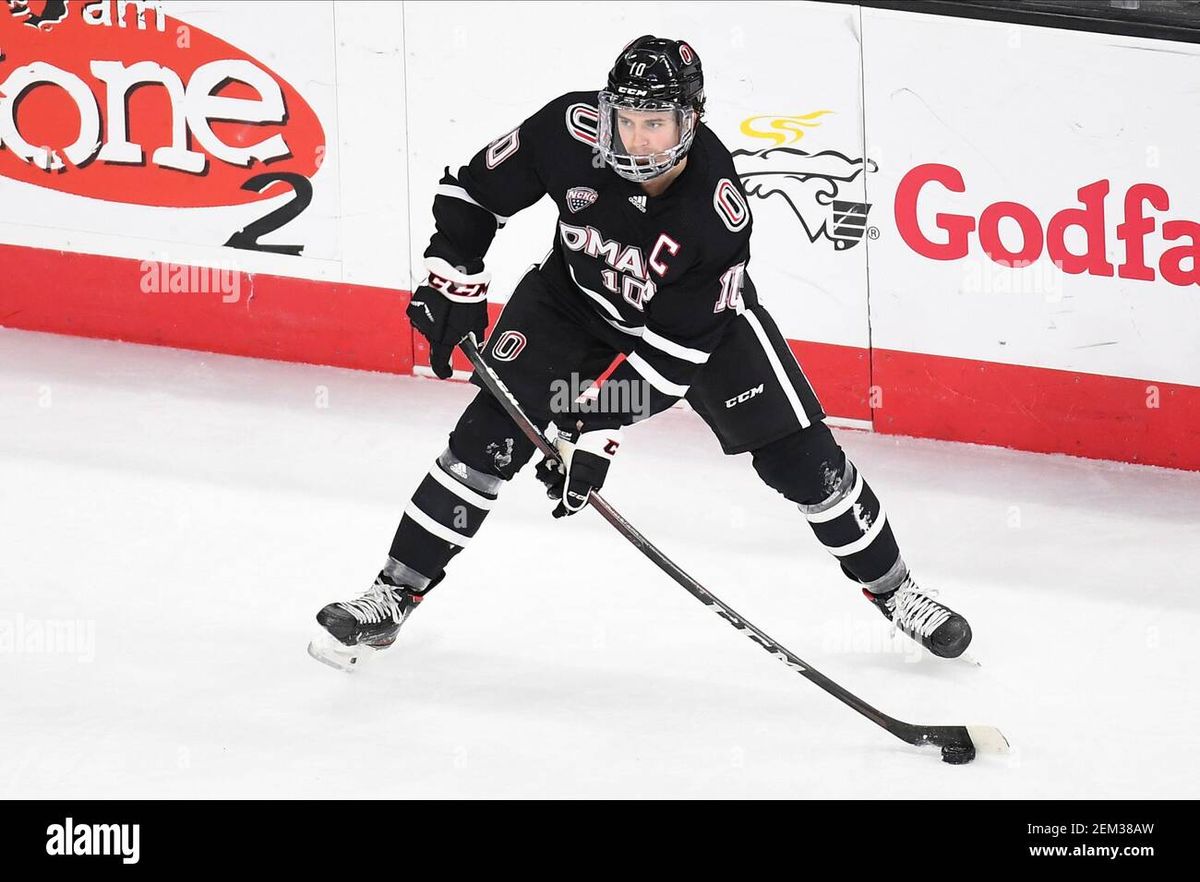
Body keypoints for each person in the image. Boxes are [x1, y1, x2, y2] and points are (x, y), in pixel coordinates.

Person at [308, 35, 972, 672]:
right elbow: (474, 191)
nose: (636, 138)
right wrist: (452, 277)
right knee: (487, 438)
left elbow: (670, 363)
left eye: (656, 123)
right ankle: (392, 596)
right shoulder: (572, 128)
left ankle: (895, 590)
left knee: (804, 463)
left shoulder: (716, 214)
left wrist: (589, 430)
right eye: (626, 119)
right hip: (573, 306)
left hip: (701, 333)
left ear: (693, 118)